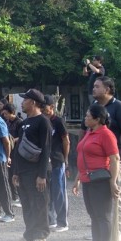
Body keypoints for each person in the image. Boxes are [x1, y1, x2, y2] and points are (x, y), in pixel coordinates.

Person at [73, 103, 121, 241]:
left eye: (88, 116)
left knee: (103, 215)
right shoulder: (89, 132)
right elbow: (83, 156)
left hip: (100, 180)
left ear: (98, 119)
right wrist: (77, 179)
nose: (85, 118)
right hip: (87, 179)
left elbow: (114, 159)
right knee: (94, 215)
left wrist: (113, 181)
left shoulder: (106, 135)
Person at [90, 75, 121, 241]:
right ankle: (103, 230)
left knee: (117, 193)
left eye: (97, 86)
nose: (93, 89)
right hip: (97, 160)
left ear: (107, 89)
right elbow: (86, 129)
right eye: (93, 86)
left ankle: (117, 231)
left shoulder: (119, 107)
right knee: (100, 195)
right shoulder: (94, 107)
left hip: (116, 158)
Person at [10, 89, 52, 241]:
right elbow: (19, 148)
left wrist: (42, 175)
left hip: (36, 172)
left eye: (25, 99)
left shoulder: (43, 122)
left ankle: (41, 237)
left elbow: (46, 149)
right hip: (23, 171)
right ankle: (29, 234)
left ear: (33, 102)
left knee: (39, 204)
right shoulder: (24, 123)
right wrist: (15, 171)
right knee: (27, 204)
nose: (22, 103)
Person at [43, 95, 71, 231]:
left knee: (59, 191)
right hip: (45, 161)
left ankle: (62, 221)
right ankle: (51, 219)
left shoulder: (58, 121)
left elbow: (66, 141)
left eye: (44, 107)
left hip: (57, 160)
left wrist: (65, 159)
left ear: (52, 107)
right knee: (47, 192)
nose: (42, 109)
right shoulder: (42, 121)